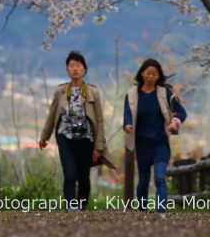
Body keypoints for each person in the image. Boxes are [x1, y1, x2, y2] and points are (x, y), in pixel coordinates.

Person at [39, 50, 113, 208]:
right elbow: (52, 114)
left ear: (84, 70)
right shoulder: (60, 91)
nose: (75, 69)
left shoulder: (92, 92)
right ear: (67, 70)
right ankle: (71, 207)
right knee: (70, 174)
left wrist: (99, 146)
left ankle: (82, 206)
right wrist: (44, 136)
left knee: (83, 176)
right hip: (65, 137)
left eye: (78, 65)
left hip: (86, 139)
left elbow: (99, 120)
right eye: (71, 65)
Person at [123, 57, 187, 212]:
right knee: (143, 181)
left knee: (160, 177)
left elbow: (182, 112)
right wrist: (127, 124)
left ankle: (160, 213)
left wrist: (175, 121)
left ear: (159, 76)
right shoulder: (132, 94)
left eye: (154, 74)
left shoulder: (165, 93)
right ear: (142, 74)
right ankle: (143, 211)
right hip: (141, 144)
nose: (151, 76)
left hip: (160, 143)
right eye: (148, 73)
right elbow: (127, 113)